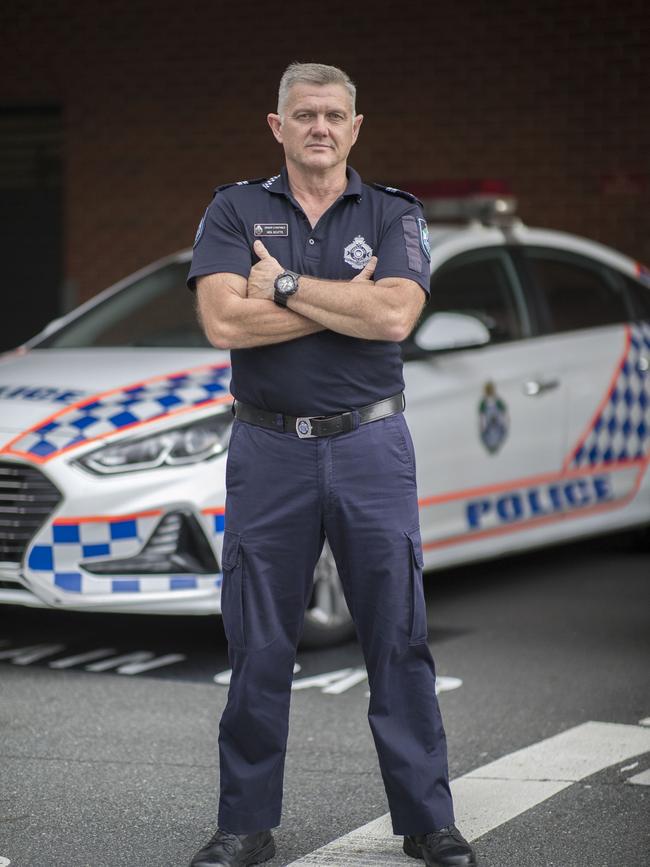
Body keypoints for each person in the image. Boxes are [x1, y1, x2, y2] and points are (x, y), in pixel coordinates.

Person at [186, 61, 477, 867]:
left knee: (398, 636)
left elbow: (391, 315)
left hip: (369, 446)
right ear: (277, 126)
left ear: (356, 127)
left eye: (335, 115)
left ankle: (428, 821)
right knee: (259, 643)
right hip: (267, 446)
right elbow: (221, 324)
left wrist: (277, 284)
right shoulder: (232, 207)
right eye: (304, 114)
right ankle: (245, 826)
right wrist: (333, 301)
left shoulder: (392, 212)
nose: (321, 126)